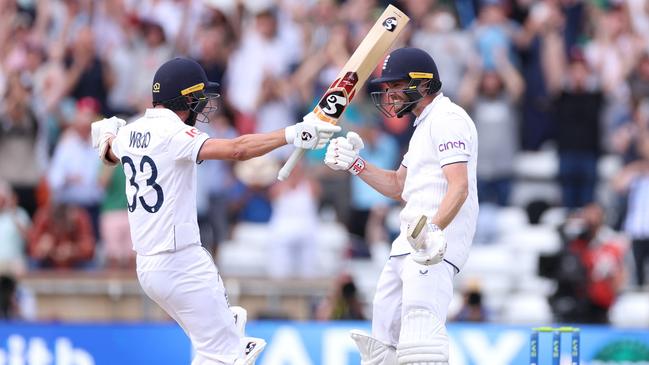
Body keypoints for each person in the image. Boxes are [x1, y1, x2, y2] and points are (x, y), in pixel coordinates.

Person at [90, 57, 339, 365]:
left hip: (149, 268)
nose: (202, 105)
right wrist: (291, 134)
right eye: (198, 98)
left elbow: (109, 151)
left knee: (226, 336)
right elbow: (238, 149)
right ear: (184, 98)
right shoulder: (174, 134)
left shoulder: (129, 133)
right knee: (225, 355)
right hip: (180, 261)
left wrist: (106, 136)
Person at [324, 48, 478, 364]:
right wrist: (355, 164)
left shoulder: (449, 119)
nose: (390, 94)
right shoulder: (424, 125)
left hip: (433, 246)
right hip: (408, 242)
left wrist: (433, 232)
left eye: (396, 86)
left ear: (423, 84)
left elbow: (459, 186)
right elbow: (399, 186)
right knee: (383, 345)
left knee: (420, 345)